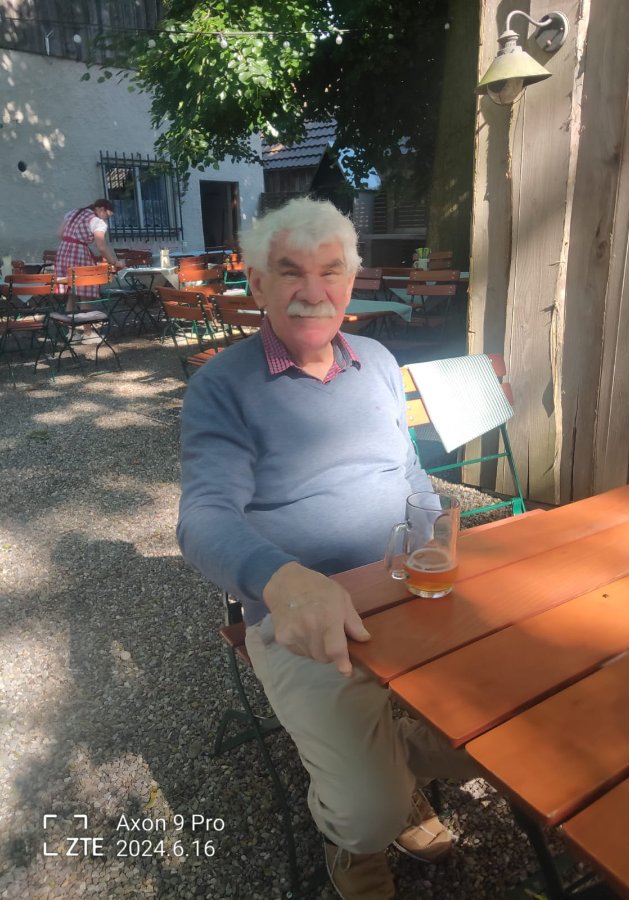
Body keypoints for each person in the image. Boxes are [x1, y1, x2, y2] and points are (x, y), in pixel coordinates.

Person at [177, 198, 475, 899]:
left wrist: (435, 533)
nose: (313, 292)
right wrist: (284, 581)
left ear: (351, 279)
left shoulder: (377, 360)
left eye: (330, 271)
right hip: (301, 616)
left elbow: (406, 473)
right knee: (369, 816)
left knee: (523, 714)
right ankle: (355, 832)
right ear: (257, 283)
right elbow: (202, 517)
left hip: (407, 590)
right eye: (289, 272)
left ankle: (388, 764)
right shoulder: (222, 385)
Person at [55, 199, 123, 315]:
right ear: (102, 209)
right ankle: (87, 325)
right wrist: (114, 262)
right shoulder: (96, 222)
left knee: (71, 291)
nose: (106, 219)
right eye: (107, 216)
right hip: (79, 254)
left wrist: (71, 242)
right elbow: (101, 247)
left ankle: (70, 323)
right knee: (84, 291)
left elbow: (60, 234)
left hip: (63, 251)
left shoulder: (73, 213)